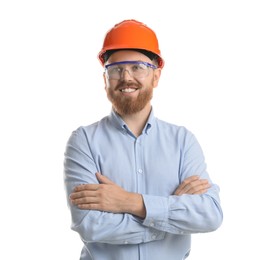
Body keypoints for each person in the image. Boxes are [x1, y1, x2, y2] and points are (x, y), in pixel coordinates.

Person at [64, 19, 223, 260]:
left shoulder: (182, 141)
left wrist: (128, 202)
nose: (126, 77)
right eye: (115, 69)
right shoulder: (84, 141)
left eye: (137, 67)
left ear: (156, 77)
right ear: (105, 79)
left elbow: (210, 214)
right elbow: (89, 223)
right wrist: (168, 220)